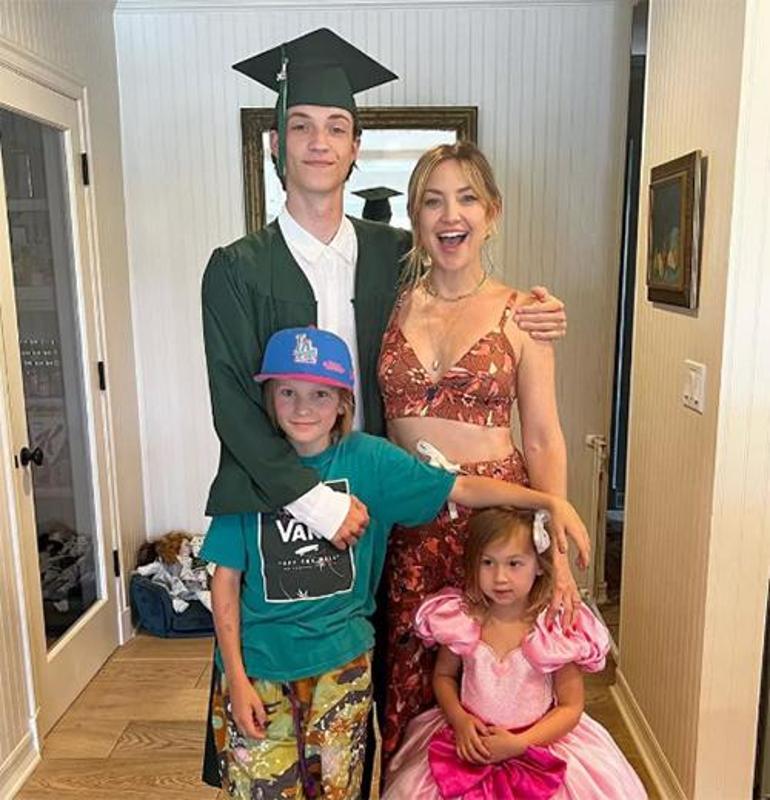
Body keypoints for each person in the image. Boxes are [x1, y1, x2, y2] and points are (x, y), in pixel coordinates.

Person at [202, 27, 569, 785]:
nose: (318, 143)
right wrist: (314, 502)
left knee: (379, 694)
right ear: (274, 144)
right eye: (300, 125)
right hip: (281, 513)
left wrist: (541, 313)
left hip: (388, 508)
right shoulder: (236, 269)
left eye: (336, 127)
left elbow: (465, 276)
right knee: (277, 704)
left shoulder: (391, 253)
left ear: (356, 147)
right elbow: (233, 408)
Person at [202, 327, 590, 800]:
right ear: (269, 398)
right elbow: (225, 580)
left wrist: (549, 502)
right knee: (260, 790)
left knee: (337, 791)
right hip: (260, 667)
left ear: (342, 402)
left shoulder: (370, 461)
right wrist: (235, 675)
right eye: (288, 393)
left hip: (340, 665)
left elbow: (461, 488)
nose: (303, 408)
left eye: (320, 394)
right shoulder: (250, 468)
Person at [378, 141, 578, 758]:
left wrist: (557, 554)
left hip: (497, 530)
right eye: (432, 202)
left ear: (492, 212)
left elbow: (542, 437)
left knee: (502, 691)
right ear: (415, 216)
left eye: (466, 198)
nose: (450, 216)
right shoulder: (389, 303)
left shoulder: (524, 314)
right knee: (413, 687)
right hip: (410, 527)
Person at [383, 508, 647, 800]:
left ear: (539, 566)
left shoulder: (553, 630)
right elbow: (444, 676)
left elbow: (570, 707)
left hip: (539, 743)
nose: (500, 577)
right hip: (471, 741)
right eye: (487, 563)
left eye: (514, 563)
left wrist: (521, 743)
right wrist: (459, 720)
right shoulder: (462, 619)